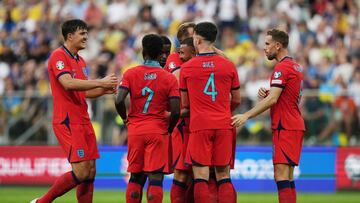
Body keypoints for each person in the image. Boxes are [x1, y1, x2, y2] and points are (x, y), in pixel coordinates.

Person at [31, 19, 118, 203]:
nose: (86, 37)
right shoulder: (58, 56)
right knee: (81, 171)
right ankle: (41, 202)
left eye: (86, 33)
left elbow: (84, 91)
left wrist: (104, 89)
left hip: (83, 119)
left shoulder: (81, 61)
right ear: (70, 36)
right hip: (68, 120)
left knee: (91, 171)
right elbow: (68, 83)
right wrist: (100, 82)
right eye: (82, 33)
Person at [232, 29, 305, 203]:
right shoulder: (295, 66)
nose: (264, 48)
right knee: (287, 176)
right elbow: (287, 97)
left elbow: (273, 100)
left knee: (280, 175)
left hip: (285, 126)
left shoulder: (282, 68)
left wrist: (246, 115)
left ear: (278, 46)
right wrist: (270, 95)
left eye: (267, 44)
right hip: (293, 123)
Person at [115, 34, 180, 203]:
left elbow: (119, 99)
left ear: (143, 52)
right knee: (156, 178)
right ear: (161, 53)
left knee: (135, 177)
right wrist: (170, 128)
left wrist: (125, 119)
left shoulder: (130, 73)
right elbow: (176, 110)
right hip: (158, 130)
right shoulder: (169, 78)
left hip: (136, 130)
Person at [180, 22, 241, 203]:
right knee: (223, 175)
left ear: (197, 39)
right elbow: (237, 99)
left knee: (201, 176)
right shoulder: (229, 65)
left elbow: (185, 104)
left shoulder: (187, 68)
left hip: (199, 125)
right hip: (224, 124)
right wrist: (222, 111)